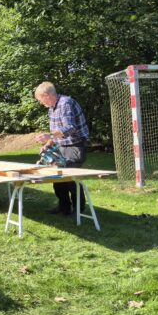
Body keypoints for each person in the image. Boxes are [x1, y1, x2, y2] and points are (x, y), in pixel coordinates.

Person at [34, 82, 89, 215]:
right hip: (61, 146)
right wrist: (48, 144)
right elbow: (56, 134)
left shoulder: (65, 103)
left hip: (75, 146)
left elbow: (70, 128)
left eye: (40, 99)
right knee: (57, 177)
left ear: (47, 95)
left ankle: (78, 210)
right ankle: (64, 207)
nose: (40, 103)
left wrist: (49, 136)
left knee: (70, 179)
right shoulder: (51, 109)